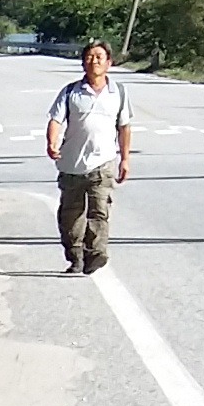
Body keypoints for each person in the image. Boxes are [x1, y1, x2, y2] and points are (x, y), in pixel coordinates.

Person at [44, 40, 132, 274]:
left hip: (103, 163)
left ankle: (96, 253)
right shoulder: (70, 92)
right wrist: (51, 142)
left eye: (99, 57)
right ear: (83, 62)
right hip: (71, 164)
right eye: (90, 57)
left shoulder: (118, 93)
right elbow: (55, 120)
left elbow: (124, 127)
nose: (94, 61)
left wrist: (124, 159)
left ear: (109, 63)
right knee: (71, 215)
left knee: (100, 210)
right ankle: (76, 256)